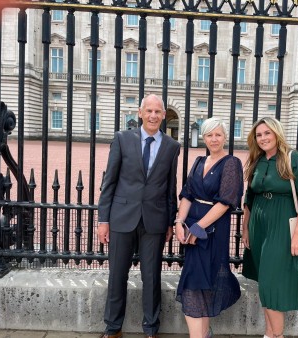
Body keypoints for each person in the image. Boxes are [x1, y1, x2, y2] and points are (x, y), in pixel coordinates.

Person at [97, 94, 180, 338]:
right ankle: (113, 328)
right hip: (122, 217)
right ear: (140, 113)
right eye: (149, 111)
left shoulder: (172, 146)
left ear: (164, 115)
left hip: (154, 220)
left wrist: (168, 221)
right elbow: (108, 181)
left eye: (158, 112)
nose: (153, 115)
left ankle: (151, 329)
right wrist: (104, 220)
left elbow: (170, 187)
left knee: (151, 278)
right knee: (117, 275)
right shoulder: (122, 139)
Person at [242, 117, 298, 338]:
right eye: (259, 135)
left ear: (277, 133)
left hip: (282, 227)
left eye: (267, 133)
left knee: (272, 284)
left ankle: (277, 335)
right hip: (258, 227)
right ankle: (269, 334)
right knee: (264, 283)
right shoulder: (257, 160)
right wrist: (245, 229)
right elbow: (249, 197)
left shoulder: (293, 159)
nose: (263, 138)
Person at [175, 117, 243, 338]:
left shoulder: (231, 163)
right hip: (191, 226)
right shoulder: (198, 161)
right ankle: (203, 335)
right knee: (198, 282)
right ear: (203, 137)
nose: (214, 139)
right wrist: (179, 222)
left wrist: (198, 228)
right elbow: (187, 194)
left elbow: (225, 202)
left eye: (218, 134)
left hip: (212, 230)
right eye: (209, 135)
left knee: (195, 284)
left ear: (225, 137)